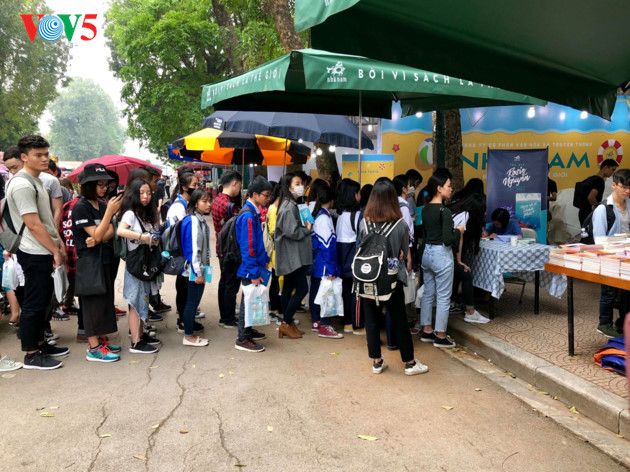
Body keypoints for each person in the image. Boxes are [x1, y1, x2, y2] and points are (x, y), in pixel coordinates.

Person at [7, 135, 68, 370]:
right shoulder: (22, 184)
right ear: (24, 157)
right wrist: (54, 250)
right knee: (34, 303)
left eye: (46, 154)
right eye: (38, 155)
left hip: (43, 249)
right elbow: (33, 224)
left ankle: (41, 344)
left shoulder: (36, 181)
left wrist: (58, 243)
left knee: (43, 301)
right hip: (33, 251)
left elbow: (46, 220)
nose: (44, 159)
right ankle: (31, 354)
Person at [359, 178, 428, 375]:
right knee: (399, 319)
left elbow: (361, 247)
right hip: (392, 276)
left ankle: (377, 362)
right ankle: (410, 363)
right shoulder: (400, 225)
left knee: (371, 319)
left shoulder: (364, 223)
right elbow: (403, 252)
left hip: (369, 275)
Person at [72, 164, 124, 362]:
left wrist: (99, 235)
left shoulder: (101, 205)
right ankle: (93, 347)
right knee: (92, 304)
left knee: (104, 301)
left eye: (106, 184)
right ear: (88, 185)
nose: (104, 188)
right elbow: (98, 233)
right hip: (90, 262)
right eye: (99, 184)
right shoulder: (81, 207)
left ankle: (101, 341)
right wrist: (107, 218)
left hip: (105, 259)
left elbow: (109, 231)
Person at [419, 168, 465, 349]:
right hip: (441, 255)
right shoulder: (444, 211)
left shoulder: (425, 209)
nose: (451, 189)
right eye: (448, 186)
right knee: (444, 296)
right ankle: (441, 335)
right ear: (439, 188)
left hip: (427, 253)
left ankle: (427, 330)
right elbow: (448, 239)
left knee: (428, 293)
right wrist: (458, 231)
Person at [116, 179, 162, 354]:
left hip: (145, 263)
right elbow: (121, 231)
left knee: (143, 300)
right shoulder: (130, 214)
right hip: (136, 264)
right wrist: (143, 237)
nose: (145, 196)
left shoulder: (147, 214)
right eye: (141, 193)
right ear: (134, 194)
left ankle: (140, 336)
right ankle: (136, 342)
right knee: (135, 302)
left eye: (148, 193)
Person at [235, 176, 273, 352]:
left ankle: (247, 332)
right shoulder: (249, 216)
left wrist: (264, 261)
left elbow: (256, 244)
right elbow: (248, 247)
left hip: (255, 266)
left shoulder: (253, 213)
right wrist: (254, 272)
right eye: (266, 195)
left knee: (250, 301)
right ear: (255, 194)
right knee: (248, 303)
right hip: (250, 268)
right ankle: (242, 338)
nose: (268, 198)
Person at [593, 168, 630, 338]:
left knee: (627, 292)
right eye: (624, 187)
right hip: (609, 257)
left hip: (627, 257)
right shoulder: (603, 209)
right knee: (609, 292)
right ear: (614, 185)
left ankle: (623, 322)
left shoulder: (629, 204)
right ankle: (604, 324)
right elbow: (599, 240)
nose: (627, 191)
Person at [275, 173, 311, 339]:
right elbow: (292, 232)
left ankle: (288, 323)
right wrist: (307, 229)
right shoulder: (289, 206)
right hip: (292, 255)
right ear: (289, 187)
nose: (301, 186)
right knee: (302, 288)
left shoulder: (291, 204)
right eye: (297, 183)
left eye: (301, 183)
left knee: (288, 288)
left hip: (291, 254)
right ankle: (286, 322)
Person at [166, 170, 202, 333]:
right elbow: (182, 234)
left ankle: (187, 318)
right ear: (185, 187)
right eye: (194, 185)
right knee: (183, 287)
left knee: (186, 287)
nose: (197, 187)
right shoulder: (178, 207)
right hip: (182, 254)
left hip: (186, 253)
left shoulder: (186, 204)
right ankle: (183, 321)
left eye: (198, 184)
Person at [449, 193, 490, 324]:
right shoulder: (464, 215)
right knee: (467, 275)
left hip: (437, 252)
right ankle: (470, 312)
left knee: (459, 275)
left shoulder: (455, 209)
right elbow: (458, 238)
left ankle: (452, 303)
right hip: (445, 253)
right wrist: (459, 260)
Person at [180, 189, 213, 347]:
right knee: (192, 302)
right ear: (195, 203)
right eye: (204, 201)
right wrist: (198, 272)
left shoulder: (198, 219)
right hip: (194, 270)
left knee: (193, 302)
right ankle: (188, 336)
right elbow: (193, 249)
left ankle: (189, 333)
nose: (209, 204)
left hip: (196, 268)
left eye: (209, 201)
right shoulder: (193, 221)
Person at [309, 185, 343, 339]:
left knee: (317, 290)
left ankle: (317, 321)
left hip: (319, 262)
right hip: (323, 263)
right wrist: (331, 268)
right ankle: (324, 324)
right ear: (331, 200)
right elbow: (327, 246)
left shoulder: (321, 216)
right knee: (325, 293)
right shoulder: (323, 219)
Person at [212, 171, 243, 329]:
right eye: (240, 185)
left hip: (221, 246)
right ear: (234, 183)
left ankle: (224, 315)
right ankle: (228, 318)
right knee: (231, 283)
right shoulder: (229, 205)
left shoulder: (217, 200)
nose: (240, 189)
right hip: (231, 249)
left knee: (224, 282)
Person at [335, 178, 365, 334]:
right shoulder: (357, 215)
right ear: (353, 195)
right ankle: (357, 325)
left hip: (342, 258)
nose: (360, 195)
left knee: (346, 291)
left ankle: (347, 322)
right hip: (353, 258)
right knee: (357, 292)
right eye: (358, 192)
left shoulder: (340, 215)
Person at [576, 158, 619, 226]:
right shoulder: (599, 181)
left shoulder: (591, 178)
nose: (612, 173)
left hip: (582, 212)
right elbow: (591, 197)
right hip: (590, 213)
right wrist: (599, 210)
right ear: (605, 168)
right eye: (612, 169)